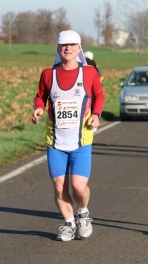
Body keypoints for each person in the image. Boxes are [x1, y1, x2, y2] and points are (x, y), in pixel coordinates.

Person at [31, 30, 105, 241]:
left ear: (79, 49)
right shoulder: (48, 73)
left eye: (73, 45)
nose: (68, 48)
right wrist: (37, 108)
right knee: (59, 185)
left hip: (81, 140)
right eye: (64, 45)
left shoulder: (89, 73)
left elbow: (99, 94)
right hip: (55, 141)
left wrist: (97, 115)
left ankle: (82, 212)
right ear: (58, 48)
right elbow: (40, 96)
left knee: (79, 186)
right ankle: (69, 224)